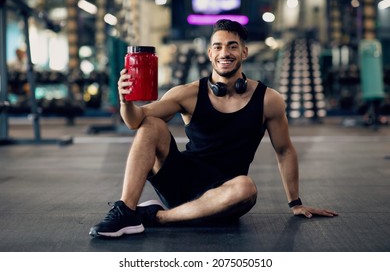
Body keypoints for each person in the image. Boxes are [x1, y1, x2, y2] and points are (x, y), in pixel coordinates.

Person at [89, 19, 338, 238]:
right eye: (218, 46)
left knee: (246, 187)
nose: (225, 52)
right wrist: (126, 101)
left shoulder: (268, 99)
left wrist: (295, 202)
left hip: (225, 194)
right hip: (180, 182)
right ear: (210, 53)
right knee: (152, 123)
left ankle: (157, 217)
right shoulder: (187, 93)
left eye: (232, 46)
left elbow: (284, 150)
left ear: (244, 52)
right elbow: (136, 121)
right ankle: (127, 211)